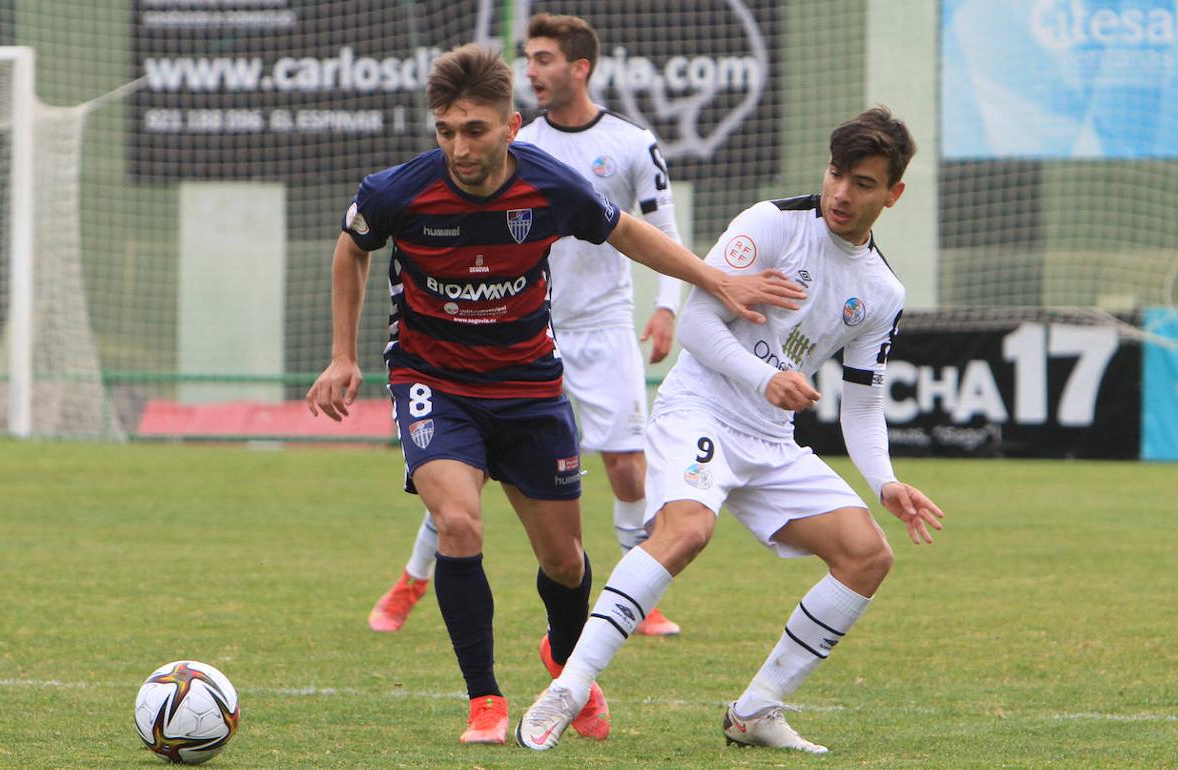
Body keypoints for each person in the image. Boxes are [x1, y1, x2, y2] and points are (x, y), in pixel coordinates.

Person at [305, 43, 804, 745]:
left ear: (511, 126)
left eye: (474, 130)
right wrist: (340, 355)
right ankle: (485, 699)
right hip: (433, 382)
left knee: (564, 562)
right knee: (458, 524)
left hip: (530, 385)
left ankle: (565, 663)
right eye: (446, 130)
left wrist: (715, 282)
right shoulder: (398, 191)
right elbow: (351, 247)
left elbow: (629, 232)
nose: (459, 146)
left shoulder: (549, 185)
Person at [515, 106, 946, 754]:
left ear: (894, 194)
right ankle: (570, 687)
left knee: (867, 555)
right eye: (836, 174)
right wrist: (763, 378)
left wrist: (884, 481)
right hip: (701, 409)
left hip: (770, 441)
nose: (840, 193)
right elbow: (695, 326)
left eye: (861, 182)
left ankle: (755, 712)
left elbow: (861, 404)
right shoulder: (771, 224)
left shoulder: (881, 291)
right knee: (688, 531)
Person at [367, 13, 687, 639]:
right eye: (529, 60)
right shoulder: (511, 143)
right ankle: (412, 579)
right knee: (464, 472)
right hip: (510, 335)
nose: (533, 71)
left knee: (626, 466)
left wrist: (668, 305)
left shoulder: (630, 143)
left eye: (544, 60)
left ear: (580, 67)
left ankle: (634, 592)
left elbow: (655, 234)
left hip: (601, 327)